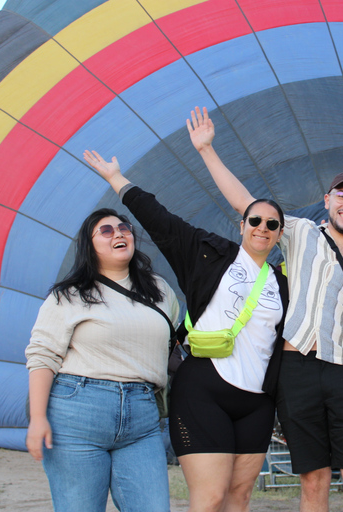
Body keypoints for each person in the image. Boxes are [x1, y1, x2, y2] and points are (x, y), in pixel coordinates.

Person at [187, 106, 343, 512]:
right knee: (313, 480)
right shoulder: (298, 232)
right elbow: (247, 203)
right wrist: (207, 150)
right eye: (342, 195)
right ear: (327, 200)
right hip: (298, 369)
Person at [83, 150, 289, 512]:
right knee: (209, 499)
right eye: (255, 220)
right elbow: (159, 218)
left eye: (272, 224)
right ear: (241, 225)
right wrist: (116, 178)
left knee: (238, 499)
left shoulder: (284, 284)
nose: (263, 228)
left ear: (280, 234)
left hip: (257, 400)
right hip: (204, 391)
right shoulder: (206, 253)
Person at [25, 208, 178, 512]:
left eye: (124, 227)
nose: (119, 233)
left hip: (142, 415)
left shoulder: (160, 290)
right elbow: (43, 355)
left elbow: (173, 345)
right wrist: (38, 418)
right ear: (89, 244)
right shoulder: (68, 295)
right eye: (106, 230)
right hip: (78, 412)